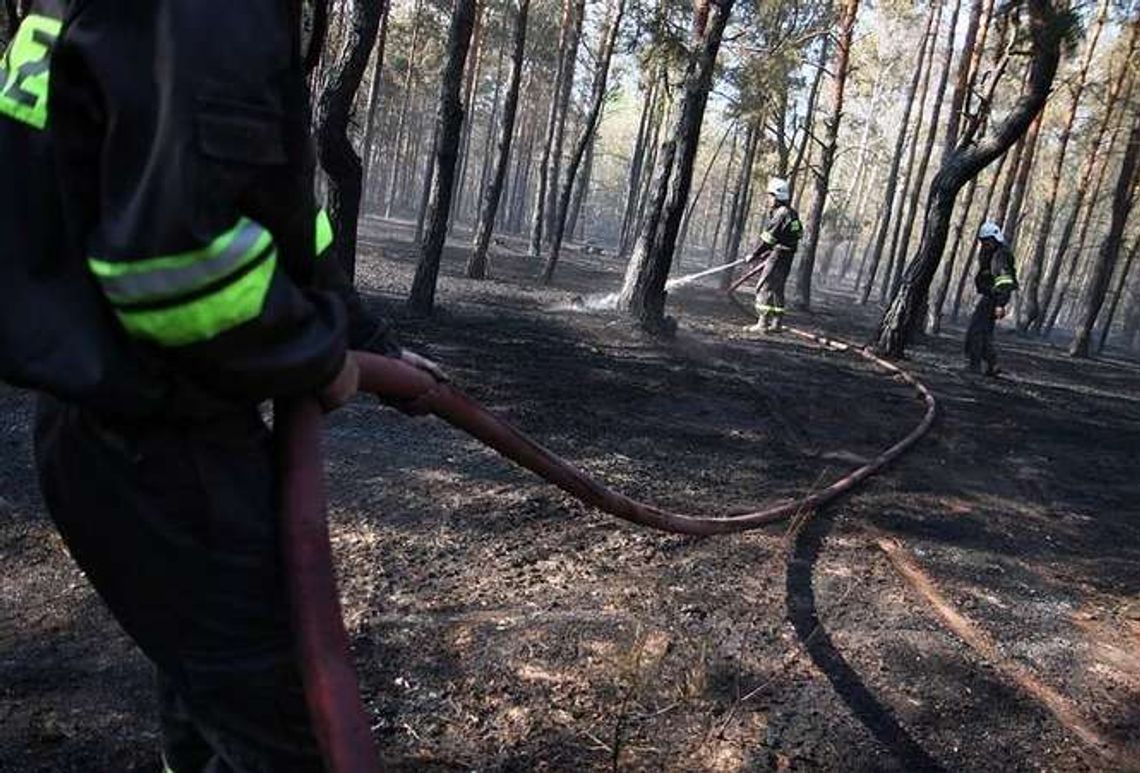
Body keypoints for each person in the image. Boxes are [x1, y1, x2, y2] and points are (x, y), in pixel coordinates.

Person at [1, 1, 440, 769]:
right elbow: (175, 262)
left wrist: (373, 343)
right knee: (286, 725)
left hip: (136, 419)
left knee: (210, 690)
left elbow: (275, 213)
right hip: (153, 438)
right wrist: (317, 358)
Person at [742, 177, 803, 334]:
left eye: (770, 195)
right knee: (778, 289)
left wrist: (754, 255)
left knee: (764, 286)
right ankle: (776, 323)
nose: (768, 199)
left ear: (777, 196)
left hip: (778, 255)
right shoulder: (792, 214)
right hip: (787, 256)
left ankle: (762, 323)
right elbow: (798, 233)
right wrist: (777, 246)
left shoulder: (780, 214)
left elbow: (768, 239)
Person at [965, 221, 1019, 376]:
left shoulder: (1000, 256)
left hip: (994, 299)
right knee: (983, 332)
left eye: (987, 241)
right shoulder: (989, 253)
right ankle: (992, 364)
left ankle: (975, 366)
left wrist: (1001, 304)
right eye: (983, 241)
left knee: (976, 332)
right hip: (989, 296)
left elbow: (1005, 280)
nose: (984, 245)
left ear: (995, 239)